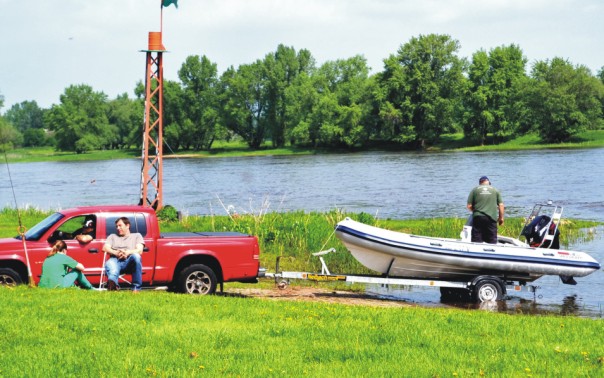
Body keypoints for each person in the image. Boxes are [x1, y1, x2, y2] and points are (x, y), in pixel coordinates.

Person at [102, 217, 144, 292]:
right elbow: (105, 248)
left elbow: (139, 250)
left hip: (129, 261)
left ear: (127, 225)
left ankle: (136, 289)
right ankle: (113, 286)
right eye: (117, 226)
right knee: (111, 264)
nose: (118, 228)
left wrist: (127, 252)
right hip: (115, 260)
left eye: (120, 225)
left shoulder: (137, 236)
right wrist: (116, 253)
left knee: (136, 256)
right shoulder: (112, 236)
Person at [467, 176, 504, 244]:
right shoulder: (495, 190)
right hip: (491, 218)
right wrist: (501, 218)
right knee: (492, 240)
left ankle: (476, 252)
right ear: (488, 182)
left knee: (476, 240)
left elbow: (469, 206)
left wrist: (475, 211)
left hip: (478, 217)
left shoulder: (474, 190)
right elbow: (501, 205)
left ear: (480, 183)